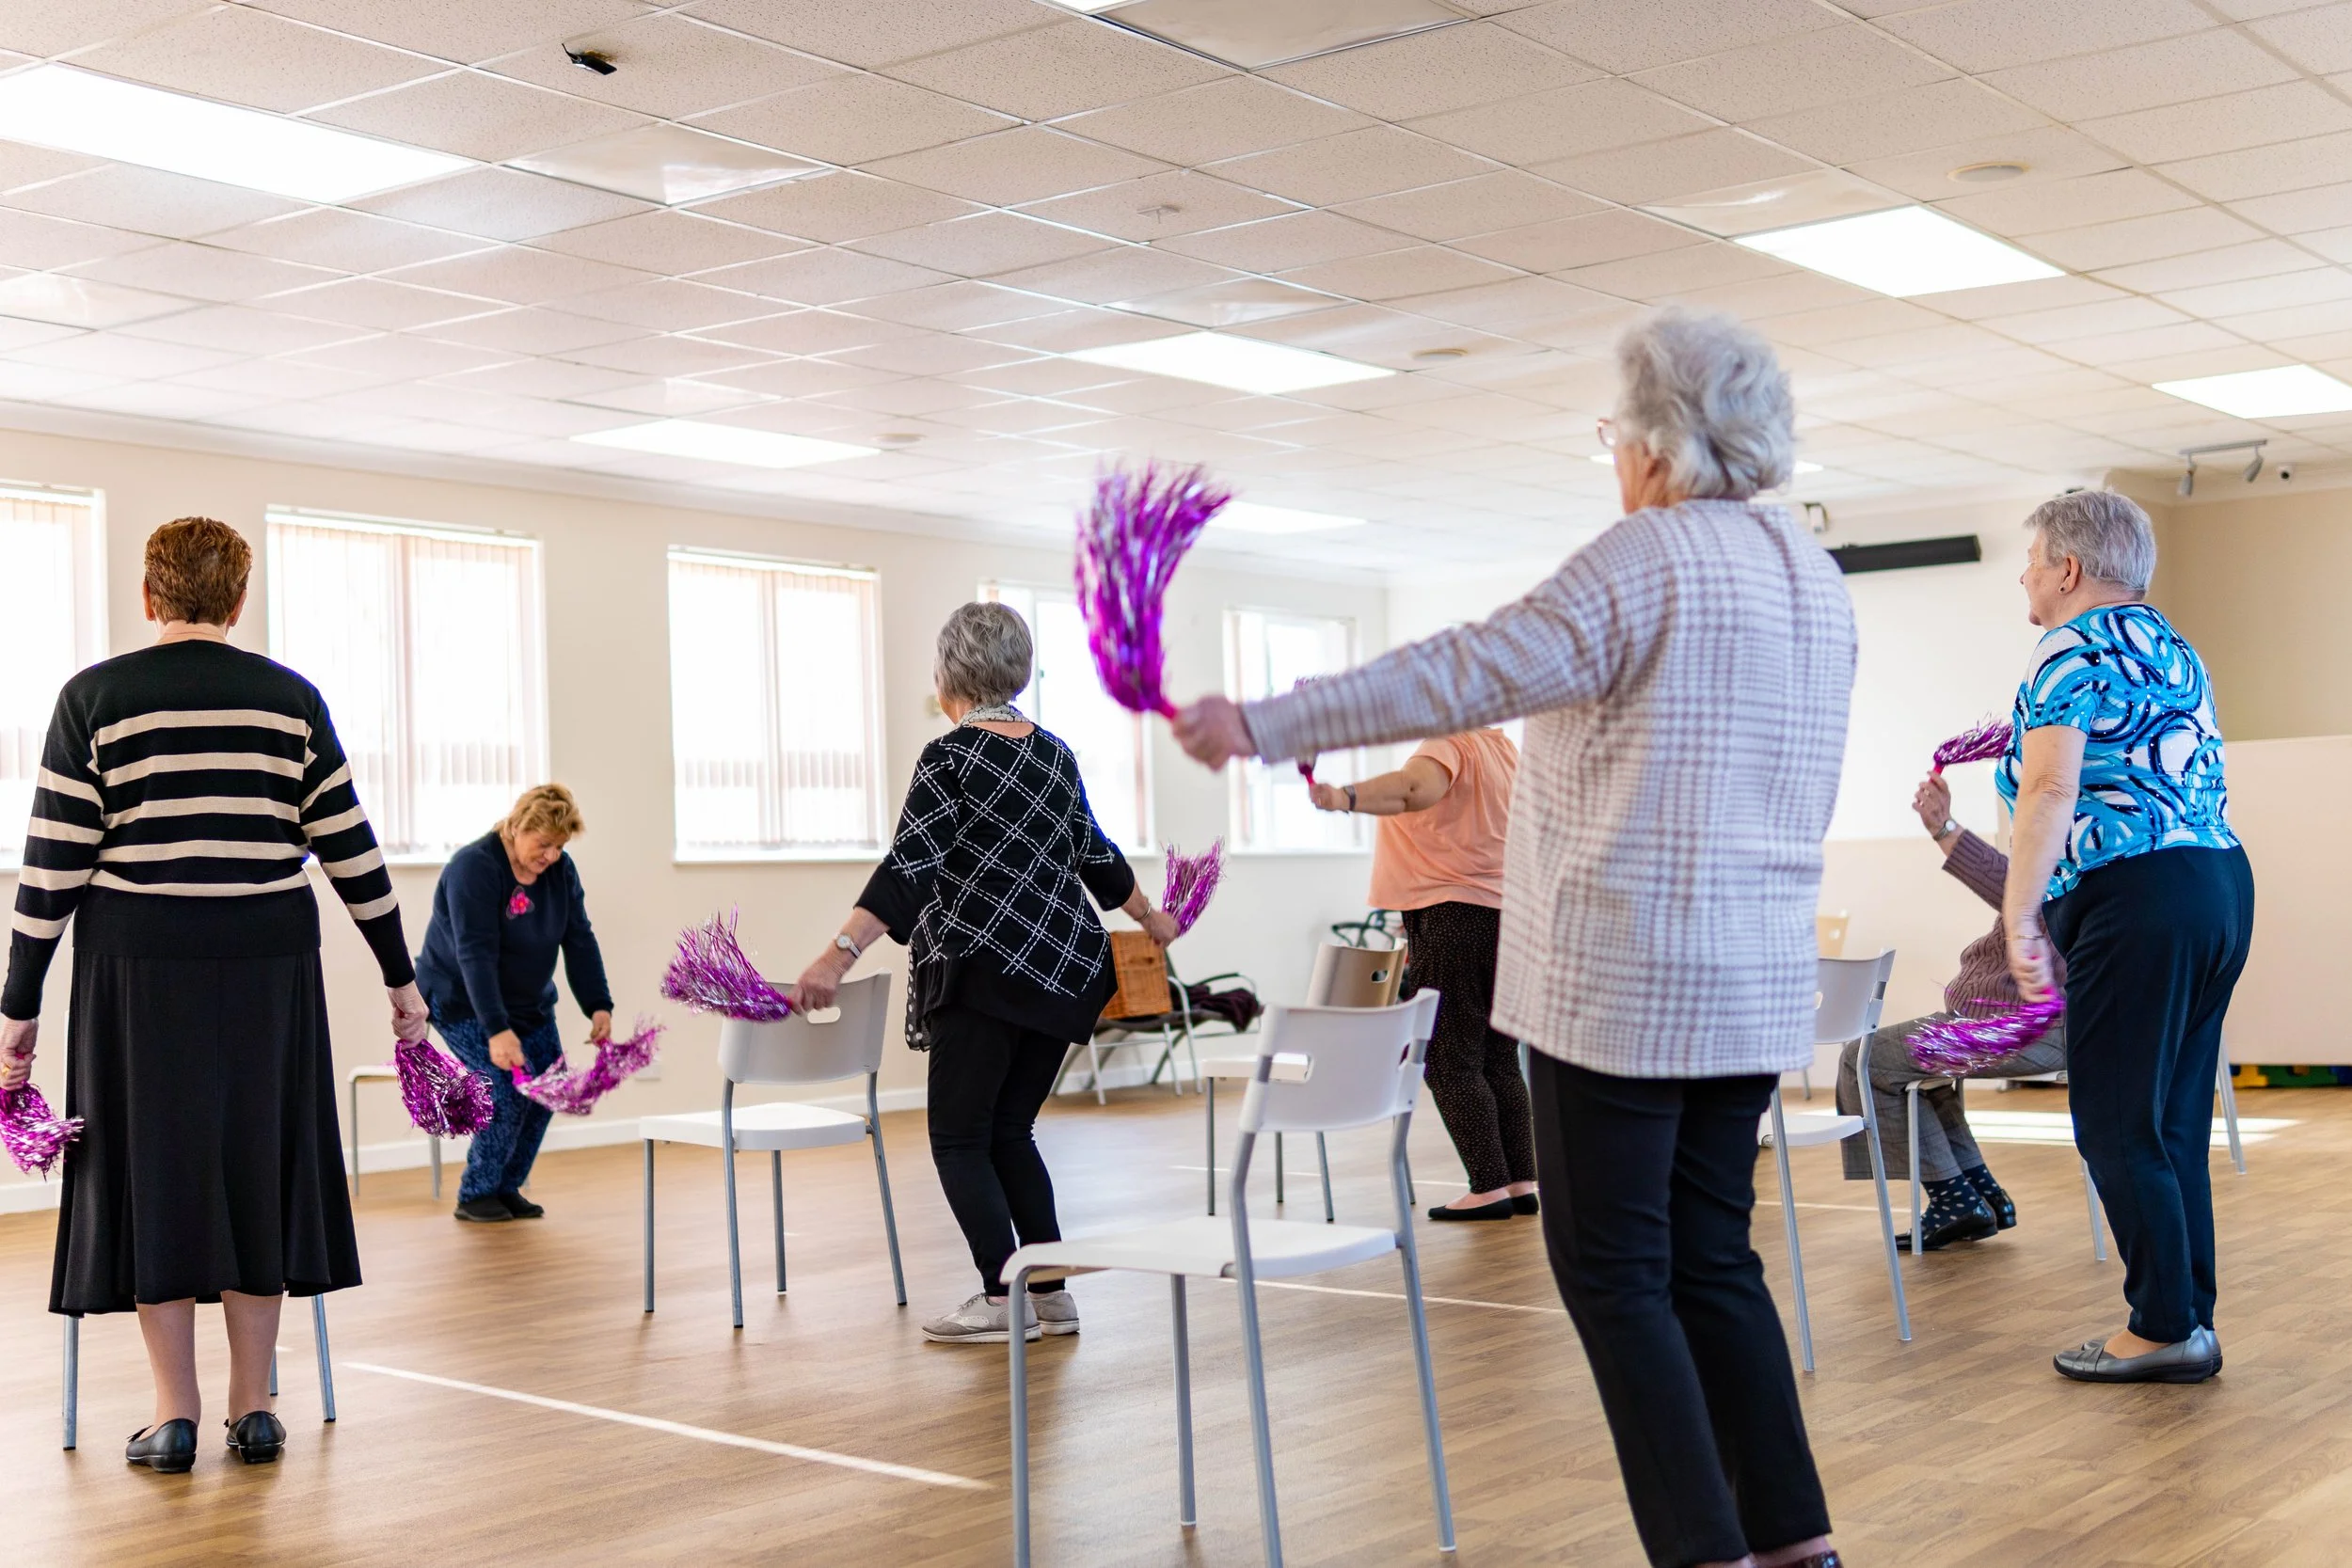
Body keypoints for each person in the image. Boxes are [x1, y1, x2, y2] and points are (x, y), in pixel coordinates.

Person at [1173, 309, 1849, 1568]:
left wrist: (1269, 719)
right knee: (1713, 1257)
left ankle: (1702, 1549)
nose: (1615, 458)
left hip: (1629, 980)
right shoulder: (1809, 574)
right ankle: (1798, 1545)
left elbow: (1467, 670)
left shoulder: (1646, 557)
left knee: (1611, 1266)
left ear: (1656, 445)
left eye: (1617, 434)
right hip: (1752, 981)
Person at [0, 516, 428, 1475]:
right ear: (238, 601)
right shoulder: (290, 701)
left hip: (137, 972)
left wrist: (16, 1009)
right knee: (257, 1162)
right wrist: (403, 985)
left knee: (155, 1166)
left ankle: (174, 1411)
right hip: (270, 967)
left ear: (149, 597)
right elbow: (355, 856)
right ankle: (256, 1405)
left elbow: (51, 870)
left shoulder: (95, 698)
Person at [791, 603, 1177, 1347]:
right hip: (1065, 967)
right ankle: (1052, 1298)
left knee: (960, 1138)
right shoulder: (1053, 752)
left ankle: (1005, 1300)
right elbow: (1093, 852)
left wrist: (836, 955)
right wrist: (1148, 914)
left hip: (985, 969)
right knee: (1010, 1131)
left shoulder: (951, 757)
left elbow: (909, 867)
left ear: (948, 678)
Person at [1997, 491, 2253, 1386]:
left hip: (2137, 899)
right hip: (2217, 884)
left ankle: (2162, 1326)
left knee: (2112, 1119)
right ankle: (2188, 1318)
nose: (2024, 573)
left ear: (2067, 570)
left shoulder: (2067, 645)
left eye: (2032, 558)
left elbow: (2049, 792)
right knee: (2172, 1120)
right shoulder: (2171, 644)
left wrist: (2019, 912)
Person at [1835, 769, 2066, 1250]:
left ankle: (1952, 1196)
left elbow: (2004, 881)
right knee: (1919, 1080)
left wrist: (1943, 829)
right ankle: (1978, 1194)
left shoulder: (2064, 862)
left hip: (2013, 1029)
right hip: (2029, 1027)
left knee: (1865, 1059)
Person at [1310, 731, 1536, 1221]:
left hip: (1453, 913)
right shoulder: (1501, 747)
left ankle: (1489, 1187)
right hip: (1506, 913)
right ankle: (1520, 1181)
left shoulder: (1449, 743)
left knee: (1448, 1056)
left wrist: (1343, 797)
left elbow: (1414, 790)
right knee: (1498, 1057)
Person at [414, 784, 612, 1224]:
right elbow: (474, 955)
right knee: (505, 1090)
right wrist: (497, 1030)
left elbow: (579, 938)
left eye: (559, 846)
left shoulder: (560, 872)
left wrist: (598, 1003)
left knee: (548, 1089)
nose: (552, 856)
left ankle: (507, 1186)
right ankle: (477, 1193)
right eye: (543, 844)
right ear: (517, 826)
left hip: (529, 1003)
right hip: (463, 1000)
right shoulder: (474, 869)